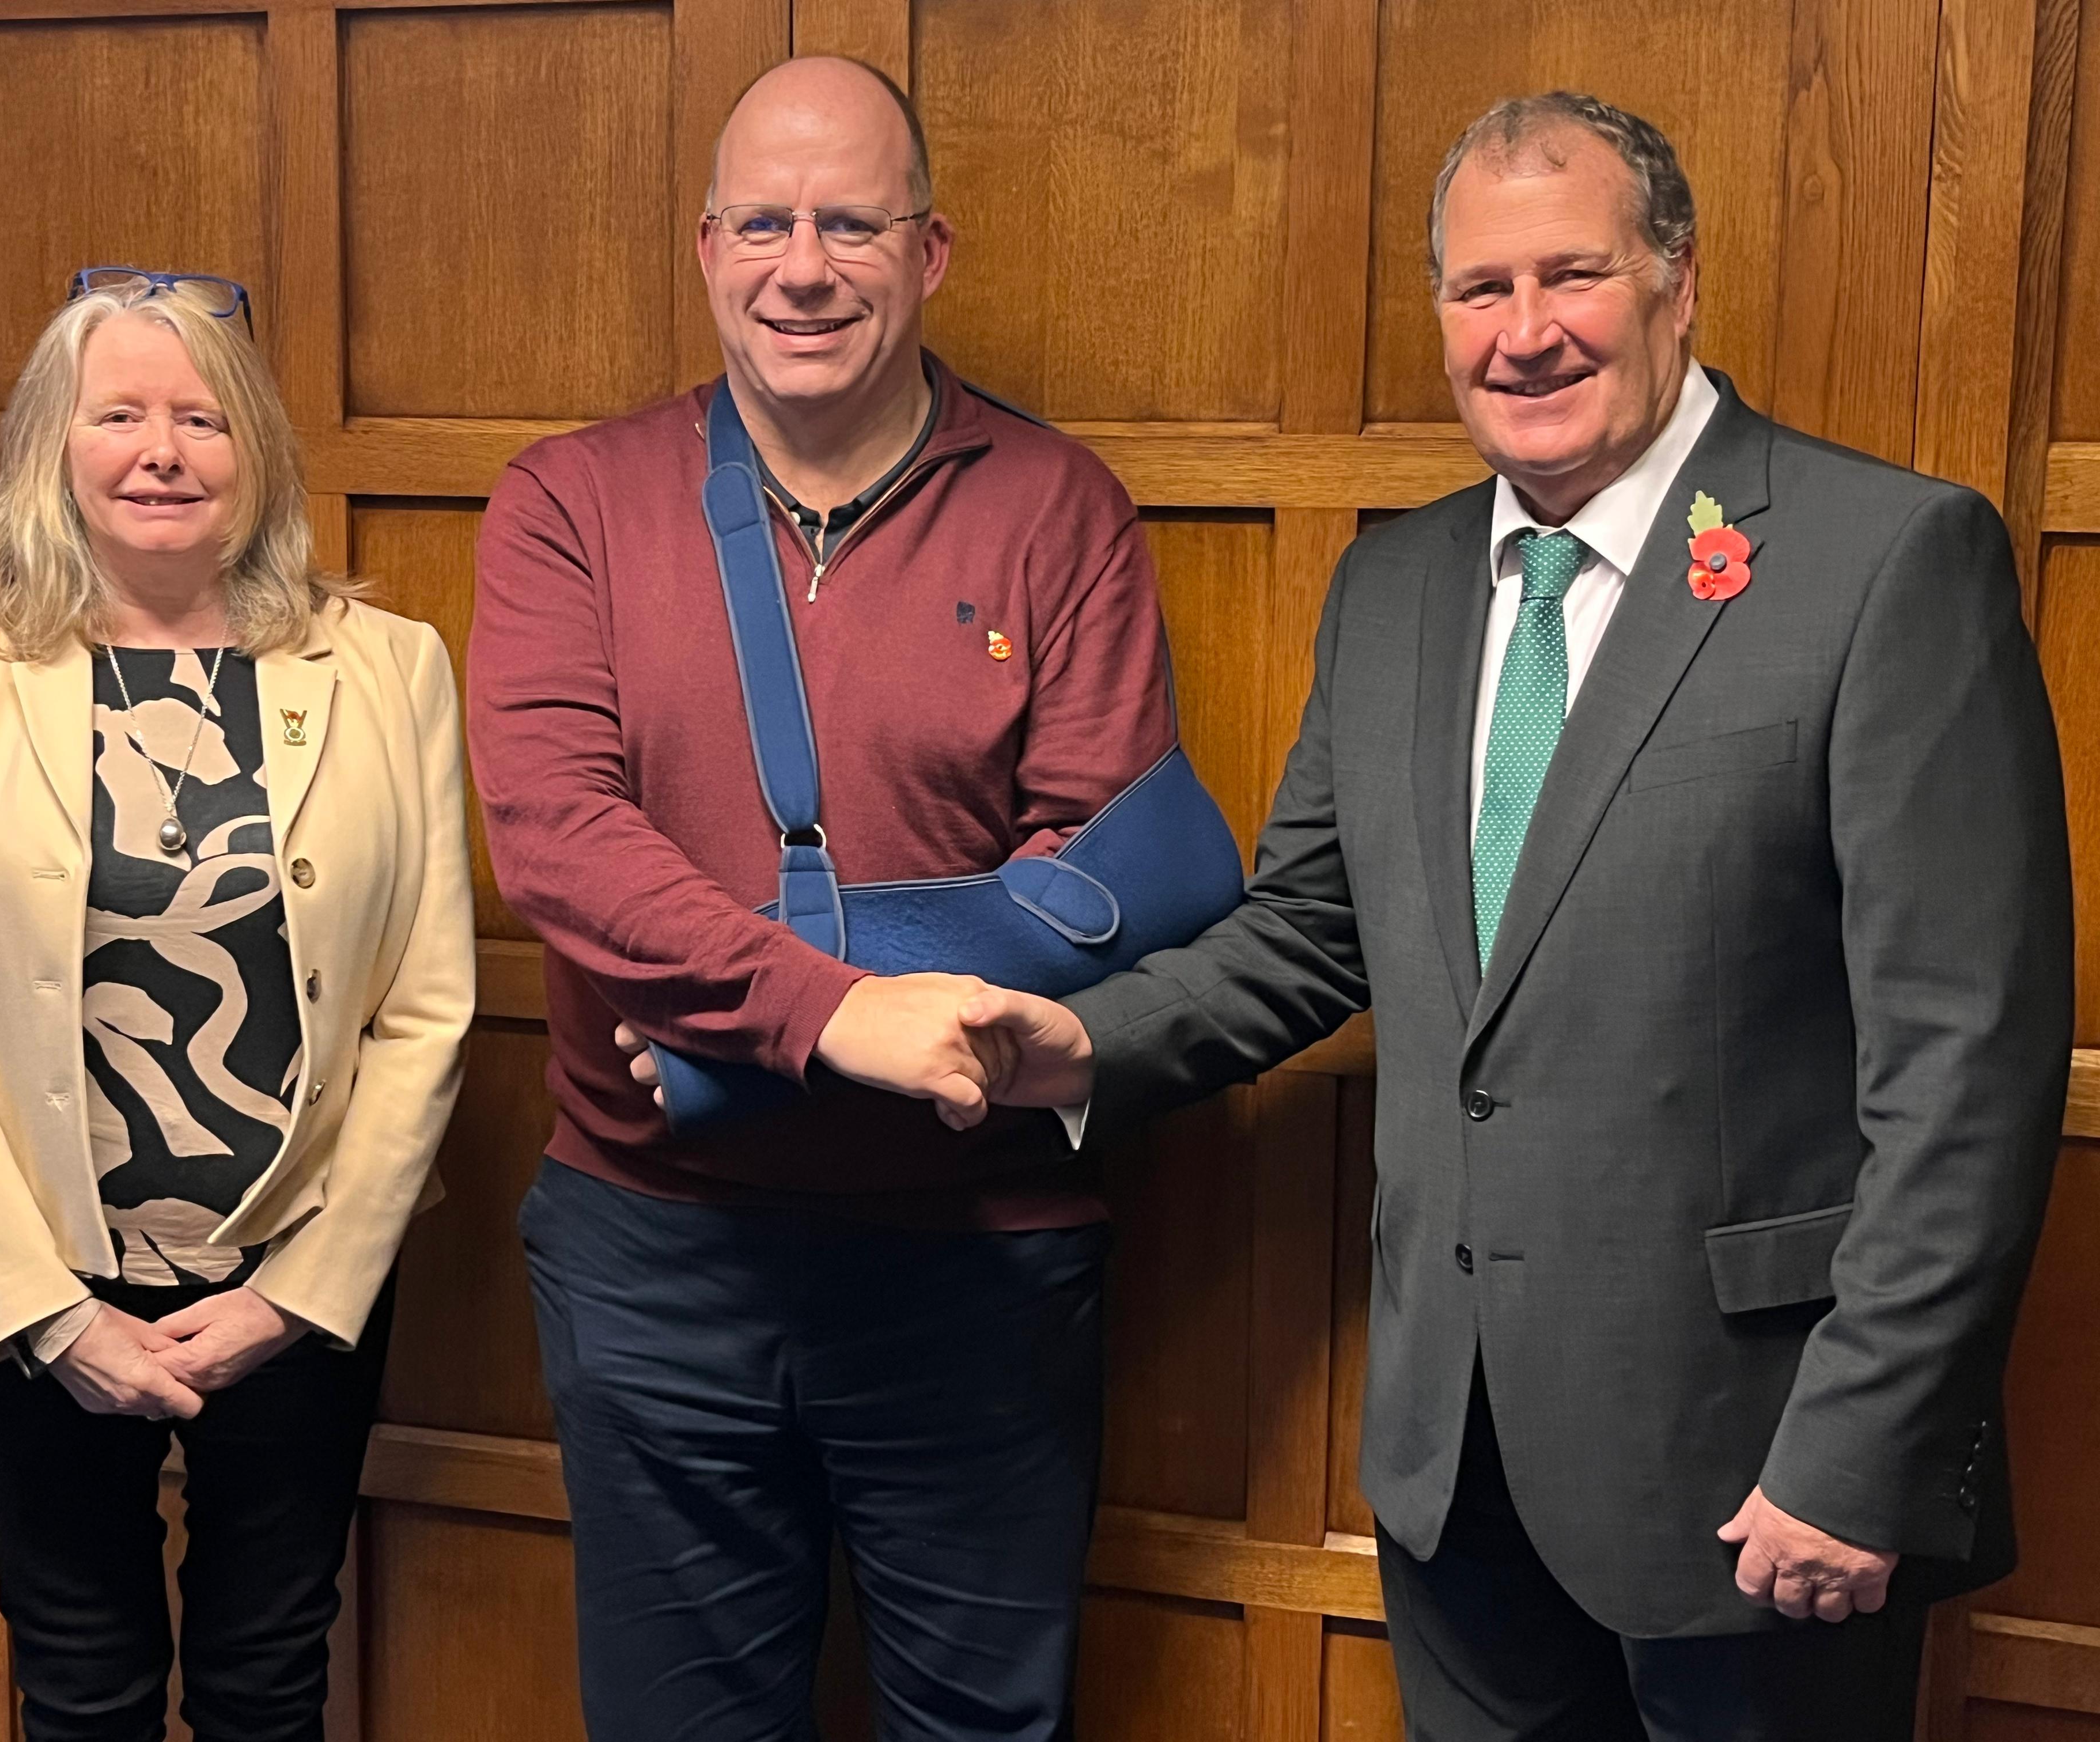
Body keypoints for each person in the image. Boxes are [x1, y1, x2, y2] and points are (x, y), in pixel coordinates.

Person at [845, 94, 2076, 1739]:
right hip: (1456, 1461)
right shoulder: (1395, 586)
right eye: (1480, 289)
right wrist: (1068, 1045)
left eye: (1572, 275)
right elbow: (1307, 930)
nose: (1524, 331)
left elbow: (1968, 1069)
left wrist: (1867, 1450)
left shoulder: (1885, 561)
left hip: (1761, 1471)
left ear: (1678, 281)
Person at [468, 56, 1175, 1742]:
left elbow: (1103, 882)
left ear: (931, 251)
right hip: (655, 1249)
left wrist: (754, 1027)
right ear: (707, 247)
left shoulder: (1059, 506)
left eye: (851, 224)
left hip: (979, 1247)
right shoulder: (569, 502)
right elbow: (559, 835)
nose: (804, 268)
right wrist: (836, 1015)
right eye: (765, 224)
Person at [0, 270, 474, 1742]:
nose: (161, 452)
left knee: (270, 1678)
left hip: (298, 1273)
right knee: (80, 1681)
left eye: (202, 418)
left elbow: (427, 1010)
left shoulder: (388, 669)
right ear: (53, 449)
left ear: (256, 449)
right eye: (118, 415)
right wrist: (48, 1316)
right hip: (36, 1282)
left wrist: (300, 1296)